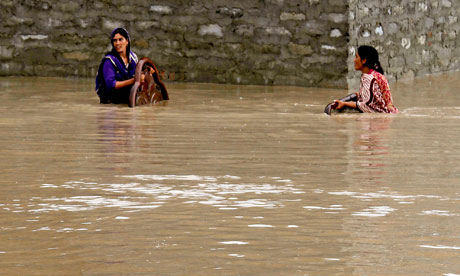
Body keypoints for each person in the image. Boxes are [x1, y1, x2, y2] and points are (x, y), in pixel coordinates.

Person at [332, 45, 398, 113]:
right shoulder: (374, 75)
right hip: (390, 113)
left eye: (356, 57)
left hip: (383, 117)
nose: (354, 60)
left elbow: (366, 105)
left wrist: (345, 104)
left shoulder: (369, 78)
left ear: (364, 61)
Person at [95, 27, 139, 104]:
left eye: (120, 39)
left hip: (127, 93)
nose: (117, 43)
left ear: (127, 41)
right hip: (111, 98)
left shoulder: (133, 58)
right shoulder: (109, 61)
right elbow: (111, 84)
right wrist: (134, 80)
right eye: (115, 40)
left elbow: (137, 71)